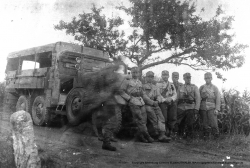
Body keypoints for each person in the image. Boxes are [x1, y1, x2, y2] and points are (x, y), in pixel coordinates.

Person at [121, 67, 154, 143]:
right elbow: (121, 91)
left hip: (141, 101)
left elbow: (143, 93)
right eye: (133, 73)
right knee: (139, 119)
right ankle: (147, 136)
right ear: (131, 73)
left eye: (137, 73)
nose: (135, 74)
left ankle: (141, 136)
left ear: (139, 73)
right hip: (132, 101)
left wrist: (149, 101)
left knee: (144, 119)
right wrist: (129, 98)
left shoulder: (139, 82)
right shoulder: (127, 81)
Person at [143, 71, 171, 142]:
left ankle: (162, 135)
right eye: (149, 76)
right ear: (146, 77)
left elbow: (158, 95)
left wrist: (158, 101)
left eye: (152, 77)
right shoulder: (143, 86)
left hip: (155, 104)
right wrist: (152, 102)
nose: (150, 78)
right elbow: (144, 97)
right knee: (153, 118)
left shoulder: (155, 87)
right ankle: (156, 134)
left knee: (161, 117)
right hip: (147, 104)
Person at [177, 73, 200, 139]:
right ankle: (179, 135)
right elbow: (177, 98)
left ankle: (189, 136)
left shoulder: (194, 87)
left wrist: (196, 108)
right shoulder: (180, 87)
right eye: (187, 78)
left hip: (190, 107)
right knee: (179, 122)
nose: (188, 79)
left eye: (189, 78)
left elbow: (198, 98)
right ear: (184, 78)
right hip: (181, 107)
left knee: (190, 123)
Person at [199, 72, 221, 140]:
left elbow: (218, 99)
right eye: (206, 78)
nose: (207, 79)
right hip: (203, 107)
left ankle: (216, 137)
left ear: (211, 78)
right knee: (205, 123)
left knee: (214, 123)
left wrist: (217, 109)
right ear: (204, 79)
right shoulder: (202, 87)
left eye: (208, 78)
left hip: (212, 107)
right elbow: (198, 97)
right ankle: (206, 137)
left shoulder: (215, 88)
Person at [156, 70, 177, 137]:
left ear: (168, 76)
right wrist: (165, 100)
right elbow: (158, 94)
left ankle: (170, 131)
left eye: (166, 75)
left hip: (170, 102)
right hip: (163, 102)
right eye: (164, 75)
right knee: (164, 117)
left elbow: (175, 94)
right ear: (161, 76)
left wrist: (171, 99)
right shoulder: (158, 84)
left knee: (172, 117)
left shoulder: (171, 85)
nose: (165, 76)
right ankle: (163, 132)